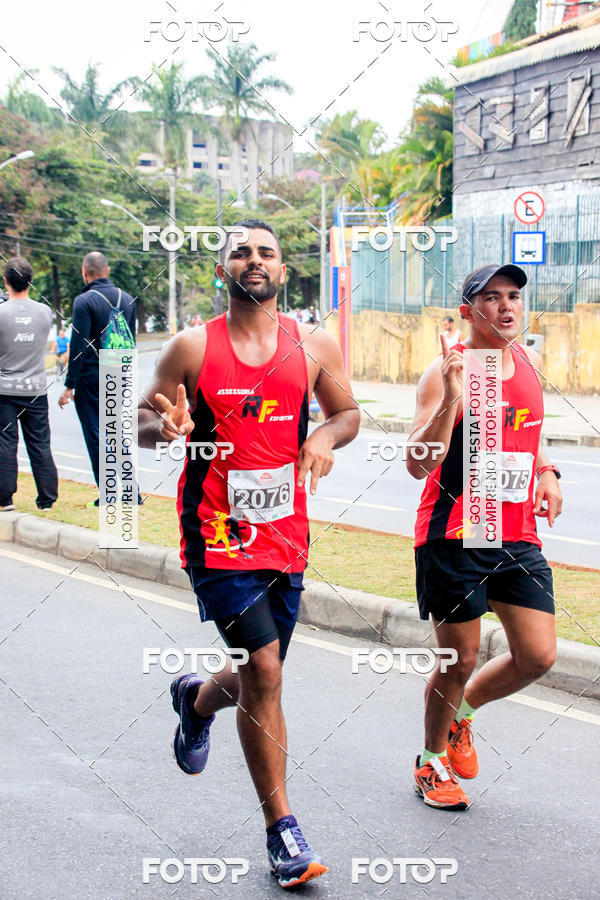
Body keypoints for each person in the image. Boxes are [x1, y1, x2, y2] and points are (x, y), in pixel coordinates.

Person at [138, 219, 359, 888]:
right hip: (217, 535)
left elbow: (348, 413)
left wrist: (325, 437)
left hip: (286, 536)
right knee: (264, 670)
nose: (254, 260)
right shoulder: (191, 347)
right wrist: (167, 426)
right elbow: (142, 426)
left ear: (284, 270)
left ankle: (197, 701)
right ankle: (282, 831)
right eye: (241, 251)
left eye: (266, 252)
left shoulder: (312, 344)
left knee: (262, 672)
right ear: (223, 268)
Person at [407, 263, 562, 811]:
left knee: (539, 655)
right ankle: (430, 762)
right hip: (456, 530)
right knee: (459, 659)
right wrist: (451, 397)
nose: (505, 306)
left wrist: (546, 472)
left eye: (513, 297)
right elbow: (417, 463)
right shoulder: (445, 371)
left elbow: (528, 432)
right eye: (491, 298)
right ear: (469, 310)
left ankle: (461, 715)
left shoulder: (527, 361)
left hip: (515, 532)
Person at [59, 252, 136, 506]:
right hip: (118, 373)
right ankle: (131, 490)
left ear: (85, 271)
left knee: (95, 434)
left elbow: (78, 344)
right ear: (108, 270)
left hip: (92, 376)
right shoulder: (126, 299)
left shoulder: (84, 301)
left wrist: (70, 384)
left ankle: (109, 493)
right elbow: (129, 341)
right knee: (115, 432)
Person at [0, 257, 58, 511]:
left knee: (5, 444)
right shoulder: (45, 312)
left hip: (5, 389)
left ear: (6, 281)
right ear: (30, 281)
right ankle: (47, 499)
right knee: (40, 444)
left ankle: (5, 499)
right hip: (36, 389)